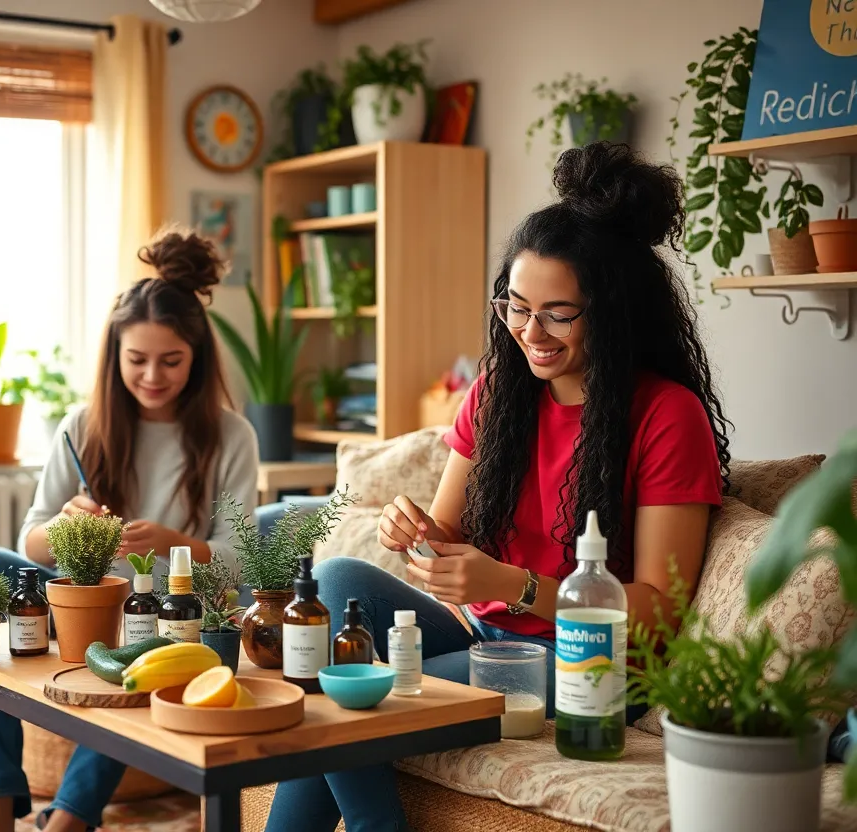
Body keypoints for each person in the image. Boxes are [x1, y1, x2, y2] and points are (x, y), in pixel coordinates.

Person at [263, 142, 731, 832]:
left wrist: (514, 585)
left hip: (590, 664)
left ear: (611, 310)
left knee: (354, 689)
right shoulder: (498, 395)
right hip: (480, 631)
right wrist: (416, 531)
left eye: (557, 313)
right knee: (333, 582)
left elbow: (660, 613)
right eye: (515, 306)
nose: (528, 332)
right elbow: (444, 536)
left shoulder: (665, 415)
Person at [0, 227, 260, 832]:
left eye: (171, 361)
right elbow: (30, 542)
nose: (153, 375)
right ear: (114, 356)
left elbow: (242, 563)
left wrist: (176, 543)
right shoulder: (82, 424)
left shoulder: (232, 436)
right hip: (78, 599)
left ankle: (71, 817)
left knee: (144, 645)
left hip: (167, 616)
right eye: (137, 360)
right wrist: (66, 527)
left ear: (196, 359)